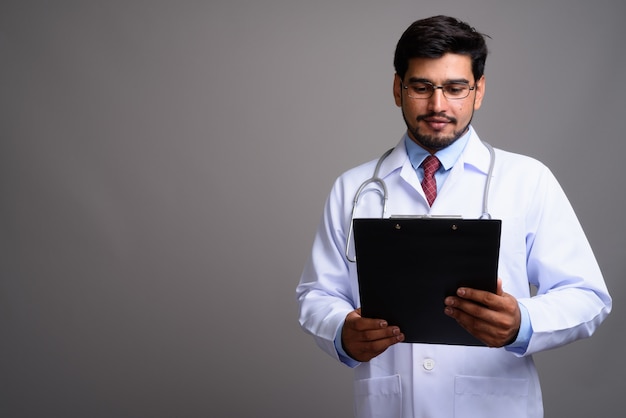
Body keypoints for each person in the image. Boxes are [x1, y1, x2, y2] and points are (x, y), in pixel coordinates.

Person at [295, 15, 612, 418]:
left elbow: (588, 296)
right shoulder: (353, 187)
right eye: (421, 87)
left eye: (455, 88)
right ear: (398, 88)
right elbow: (316, 294)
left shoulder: (529, 180)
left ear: (478, 91)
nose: (437, 105)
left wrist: (522, 323)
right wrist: (342, 332)